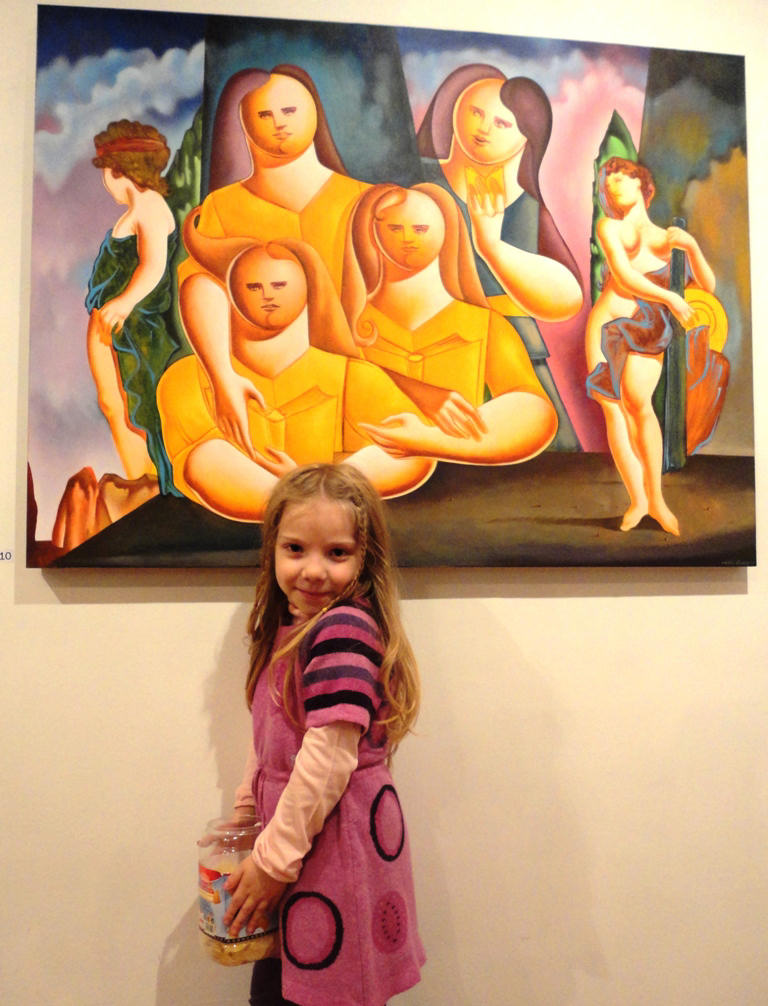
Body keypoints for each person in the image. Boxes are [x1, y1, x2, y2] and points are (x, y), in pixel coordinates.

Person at [222, 463, 426, 1005]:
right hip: (297, 840)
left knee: (323, 989)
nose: (313, 571)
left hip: (332, 844)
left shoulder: (343, 628)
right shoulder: (289, 627)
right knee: (282, 986)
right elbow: (270, 736)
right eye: (295, 549)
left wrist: (271, 862)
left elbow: (329, 759)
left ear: (364, 559)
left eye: (337, 553)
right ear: (272, 550)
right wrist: (246, 811)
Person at [158, 223, 434, 520]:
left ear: (308, 289)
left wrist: (321, 485)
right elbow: (203, 465)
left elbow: (413, 449)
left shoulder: (350, 375)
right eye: (253, 287)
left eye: (279, 285)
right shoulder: (186, 379)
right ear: (231, 294)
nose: (267, 295)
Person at [178, 65, 370, 463]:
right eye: (264, 114)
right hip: (252, 380)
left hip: (348, 379)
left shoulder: (363, 200)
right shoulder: (223, 207)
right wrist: (223, 376)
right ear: (244, 124)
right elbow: (200, 286)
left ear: (314, 112)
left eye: (289, 110)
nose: (279, 123)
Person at [417, 66, 583, 448]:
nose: (484, 129)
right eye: (475, 113)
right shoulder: (419, 184)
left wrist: (492, 248)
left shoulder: (526, 206)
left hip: (515, 350)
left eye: (502, 123)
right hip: (434, 341)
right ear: (454, 111)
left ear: (527, 136)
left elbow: (567, 298)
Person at [341, 182, 558, 464]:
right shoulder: (346, 325)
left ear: (446, 231)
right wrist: (422, 395)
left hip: (465, 478)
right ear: (370, 232)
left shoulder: (486, 325)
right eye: (395, 228)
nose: (408, 238)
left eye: (421, 228)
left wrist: (428, 441)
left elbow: (534, 413)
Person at [585, 156, 717, 535]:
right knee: (613, 411)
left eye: (621, 176)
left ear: (643, 185)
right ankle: (637, 500)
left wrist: (693, 248)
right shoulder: (608, 226)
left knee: (639, 407)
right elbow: (625, 277)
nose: (612, 183)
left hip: (647, 328)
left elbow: (708, 287)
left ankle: (656, 500)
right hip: (607, 321)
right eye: (608, 180)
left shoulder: (668, 237)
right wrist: (671, 298)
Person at [86, 119, 179, 495]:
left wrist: (124, 303)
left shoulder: (151, 207)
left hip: (134, 328)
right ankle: (140, 480)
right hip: (113, 326)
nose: (105, 183)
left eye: (105, 173)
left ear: (117, 169)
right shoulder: (139, 208)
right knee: (112, 403)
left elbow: (153, 265)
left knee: (131, 405)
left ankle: (149, 482)